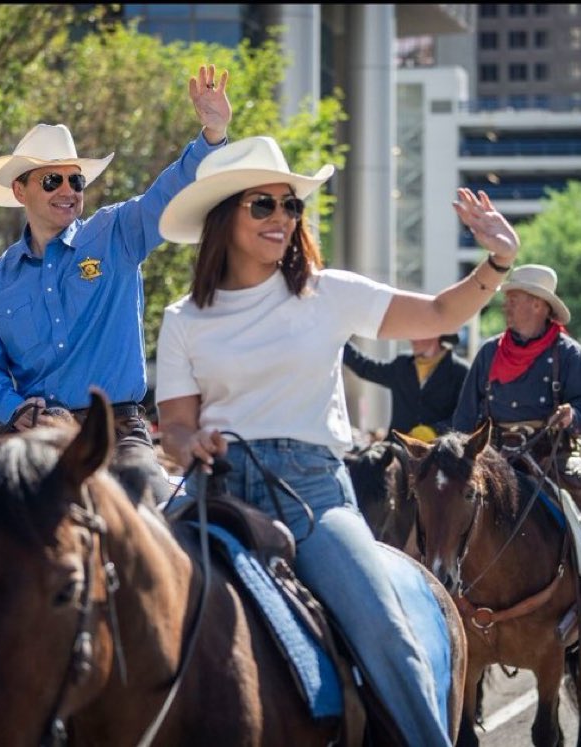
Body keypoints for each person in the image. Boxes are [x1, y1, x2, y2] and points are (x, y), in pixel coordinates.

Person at [154, 135, 520, 746]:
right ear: (225, 217)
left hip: (314, 497)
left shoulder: (326, 294)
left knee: (389, 636)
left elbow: (435, 314)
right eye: (263, 205)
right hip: (211, 498)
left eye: (290, 205)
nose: (281, 217)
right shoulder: (183, 318)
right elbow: (177, 425)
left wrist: (498, 263)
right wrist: (190, 443)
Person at [0, 64, 232, 504]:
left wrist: (212, 135)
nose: (68, 189)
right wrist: (16, 410)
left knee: (157, 515)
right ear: (20, 191)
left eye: (76, 180)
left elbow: (170, 192)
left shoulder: (115, 233)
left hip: (118, 436)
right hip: (36, 441)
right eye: (53, 180)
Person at [450, 263, 581, 644]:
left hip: (552, 456)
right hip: (496, 460)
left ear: (540, 306)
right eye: (508, 297)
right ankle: (442, 589)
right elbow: (464, 417)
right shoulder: (489, 353)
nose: (507, 304)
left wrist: (572, 415)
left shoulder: (569, 354)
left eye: (516, 297)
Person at [342, 332, 469, 443]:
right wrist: (338, 341)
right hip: (396, 450)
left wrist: (434, 431)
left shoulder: (460, 371)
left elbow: (465, 415)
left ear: (436, 333)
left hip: (437, 453)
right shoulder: (401, 364)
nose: (412, 339)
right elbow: (365, 368)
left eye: (418, 334)